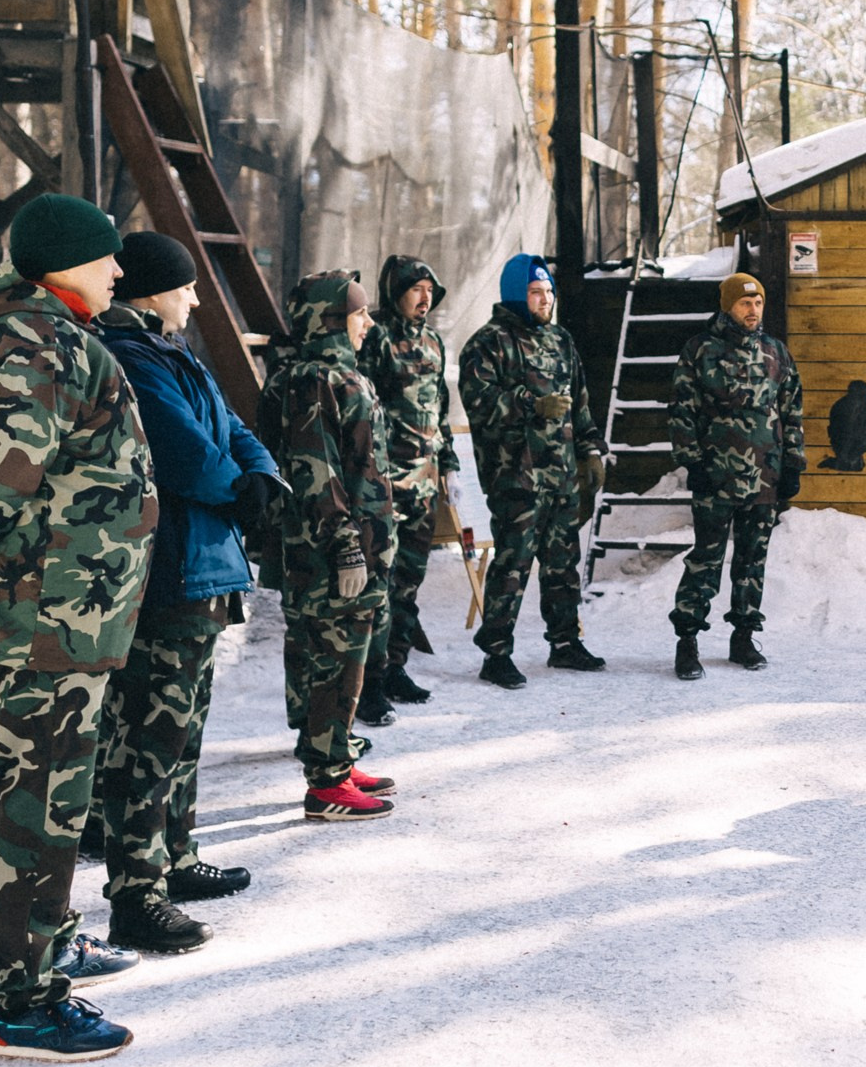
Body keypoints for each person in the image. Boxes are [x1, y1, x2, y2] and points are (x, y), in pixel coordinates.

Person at [0, 193, 155, 1060]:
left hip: (61, 616)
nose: (119, 270)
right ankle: (25, 1000)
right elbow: (8, 475)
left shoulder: (48, 332)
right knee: (39, 806)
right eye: (105, 256)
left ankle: (49, 942)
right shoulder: (34, 339)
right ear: (60, 261)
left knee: (52, 797)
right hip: (39, 622)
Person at [91, 232, 280, 951]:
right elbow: (183, 452)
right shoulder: (134, 357)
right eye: (187, 285)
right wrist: (240, 489)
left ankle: (174, 859)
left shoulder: (174, 352)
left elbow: (234, 427)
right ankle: (135, 895)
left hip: (202, 567)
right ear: (152, 289)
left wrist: (258, 472)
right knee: (148, 737)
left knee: (183, 730)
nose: (197, 298)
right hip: (169, 570)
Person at [257, 271, 398, 820]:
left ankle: (334, 752)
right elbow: (317, 473)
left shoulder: (324, 376)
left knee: (331, 654)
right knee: (333, 658)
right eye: (359, 314)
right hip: (331, 549)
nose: (368, 323)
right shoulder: (316, 379)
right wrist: (345, 546)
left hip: (341, 543)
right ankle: (326, 782)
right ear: (331, 321)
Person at [459, 253, 608, 687]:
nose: (545, 300)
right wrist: (530, 404)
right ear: (515, 295)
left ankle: (565, 643)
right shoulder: (487, 343)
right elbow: (479, 405)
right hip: (515, 477)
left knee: (563, 565)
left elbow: (580, 403)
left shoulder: (561, 341)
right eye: (535, 292)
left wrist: (591, 452)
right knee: (513, 566)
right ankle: (496, 653)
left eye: (548, 292)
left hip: (560, 476)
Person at [668, 271, 806, 680]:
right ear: (728, 305)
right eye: (745, 303)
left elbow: (793, 410)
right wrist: (693, 463)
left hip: (765, 476)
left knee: (751, 561)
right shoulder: (700, 351)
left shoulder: (775, 351)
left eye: (758, 302)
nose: (753, 309)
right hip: (716, 476)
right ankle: (687, 641)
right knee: (705, 560)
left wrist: (793, 463)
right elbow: (681, 411)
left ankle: (743, 637)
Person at [357, 253, 460, 716]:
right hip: (385, 484)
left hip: (423, 483)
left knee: (407, 585)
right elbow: (362, 409)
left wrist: (450, 464)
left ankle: (396, 667)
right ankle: (369, 682)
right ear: (395, 292)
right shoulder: (375, 339)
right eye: (416, 288)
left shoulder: (434, 343)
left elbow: (440, 410)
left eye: (429, 290)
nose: (425, 297)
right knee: (376, 587)